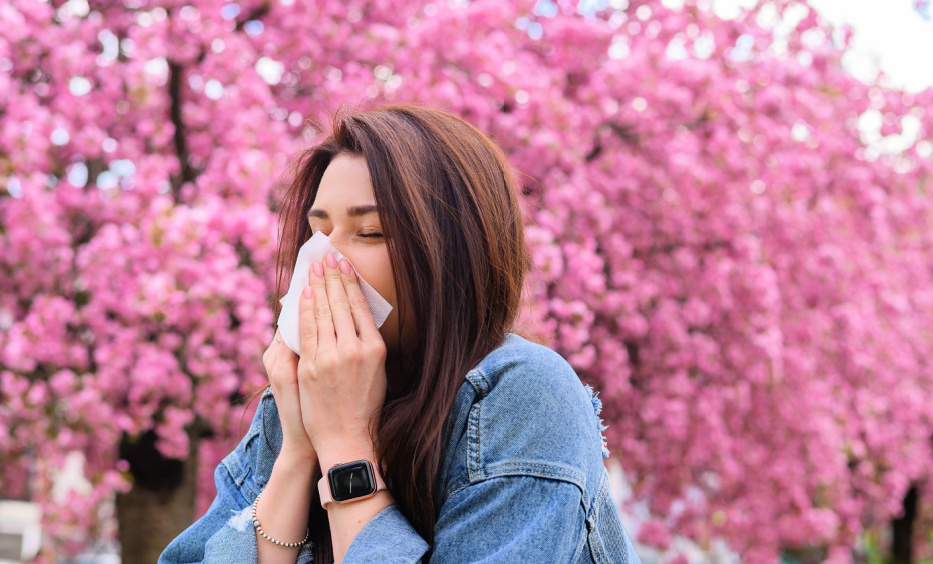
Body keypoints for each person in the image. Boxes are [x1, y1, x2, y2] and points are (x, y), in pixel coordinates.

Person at [159, 103, 641, 563]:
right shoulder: (298, 401)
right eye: (318, 232)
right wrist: (299, 452)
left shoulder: (519, 394)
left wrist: (346, 446)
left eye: (368, 233)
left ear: (452, 254)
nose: (325, 260)